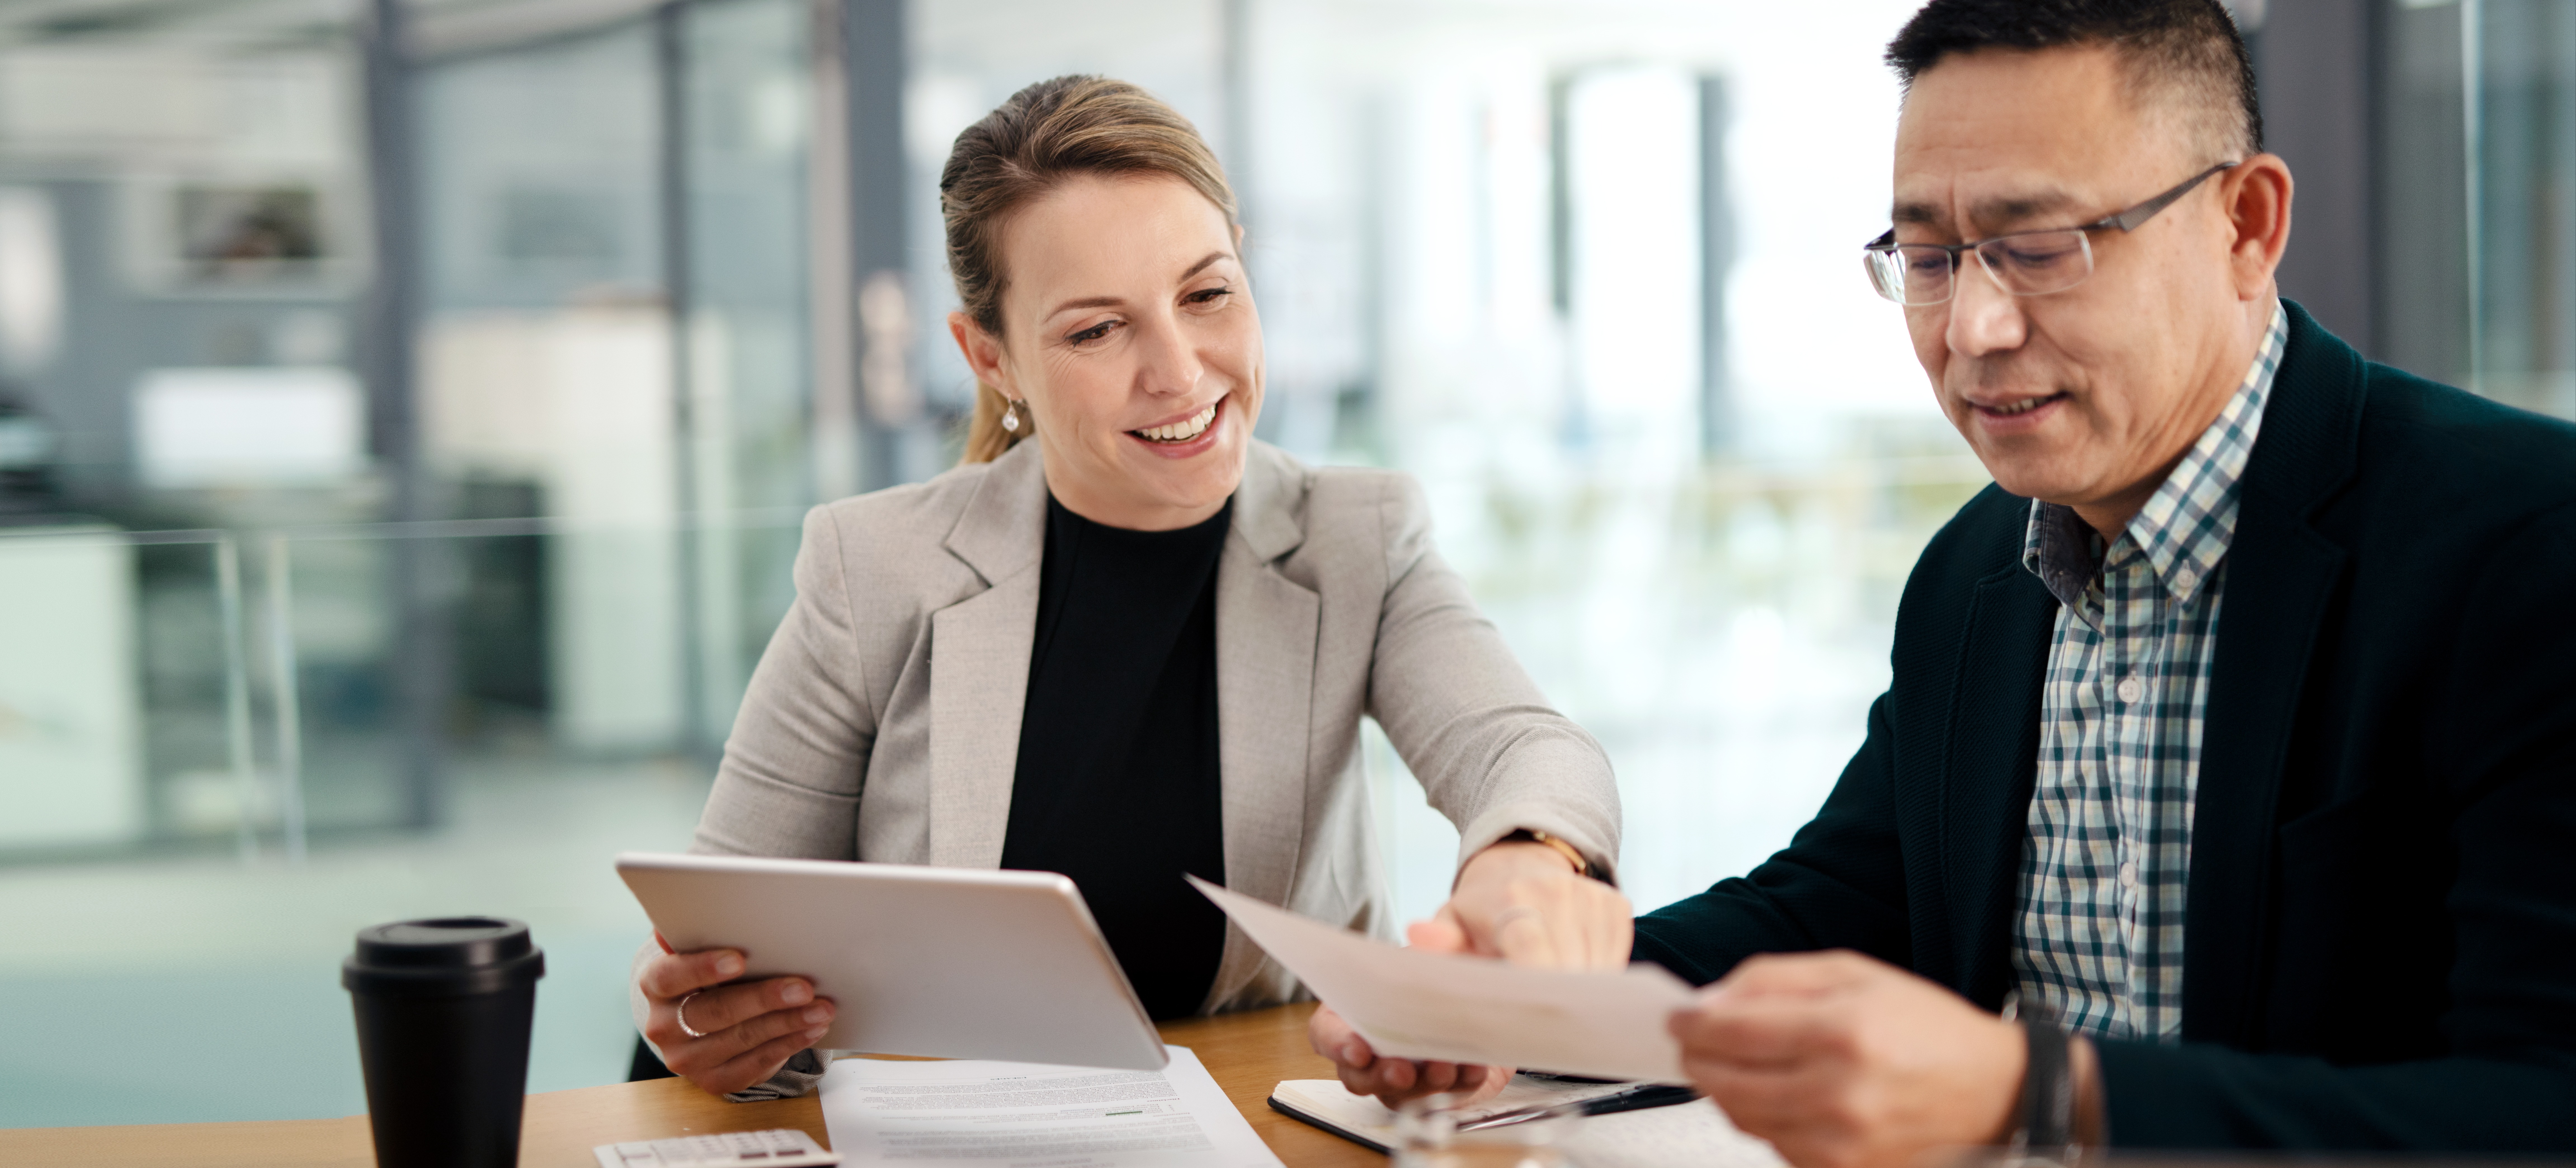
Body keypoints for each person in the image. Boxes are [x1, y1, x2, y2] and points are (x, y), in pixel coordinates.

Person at [1318, 0, 2576, 1158]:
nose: (1971, 330)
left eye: (2039, 248)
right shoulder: (1979, 569)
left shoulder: (2524, 544)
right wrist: (1501, 1003)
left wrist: (2034, 1093)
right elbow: (1839, 907)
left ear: (2244, 224)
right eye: (1928, 259)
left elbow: (2537, 1109)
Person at [631, 75, 1633, 1101]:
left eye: (1207, 295)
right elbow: (719, 944)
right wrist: (717, 1031)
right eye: (1095, 331)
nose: (1179, 372)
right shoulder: (876, 566)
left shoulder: (1355, 538)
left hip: (1259, 1123)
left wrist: (1528, 860)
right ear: (991, 357)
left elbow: (1518, 744)